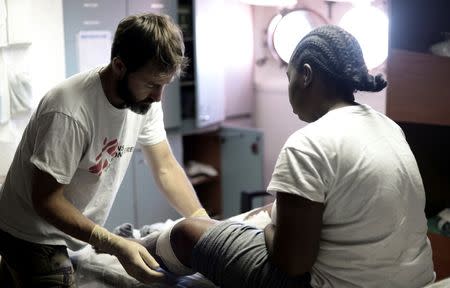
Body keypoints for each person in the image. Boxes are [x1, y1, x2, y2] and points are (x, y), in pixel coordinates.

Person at [135, 25, 435, 288]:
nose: (289, 86)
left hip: (325, 283)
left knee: (186, 231)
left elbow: (292, 263)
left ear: (305, 75)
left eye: (289, 76)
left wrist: (271, 227)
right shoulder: (388, 127)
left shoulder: (309, 142)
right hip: (411, 278)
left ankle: (138, 247)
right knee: (258, 214)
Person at [0, 13, 208, 287]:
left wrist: (200, 219)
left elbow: (165, 166)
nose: (158, 97)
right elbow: (46, 201)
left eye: (164, 85)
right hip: (30, 231)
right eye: (152, 85)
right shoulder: (69, 111)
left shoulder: (145, 100)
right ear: (119, 66)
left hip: (65, 227)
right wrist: (115, 244)